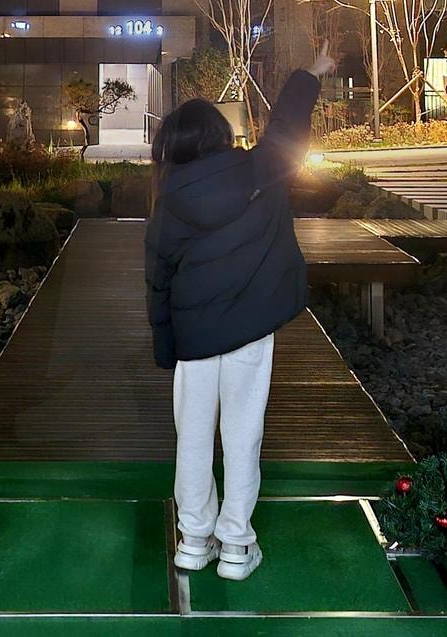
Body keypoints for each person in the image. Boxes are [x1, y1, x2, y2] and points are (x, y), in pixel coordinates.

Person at [144, 41, 336, 582]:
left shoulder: (169, 196)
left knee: (194, 437)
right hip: (249, 332)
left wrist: (167, 348)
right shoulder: (260, 171)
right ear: (220, 137)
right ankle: (234, 546)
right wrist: (310, 71)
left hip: (194, 337)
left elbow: (157, 279)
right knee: (243, 435)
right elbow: (288, 127)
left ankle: (193, 539)